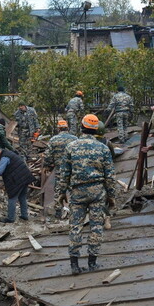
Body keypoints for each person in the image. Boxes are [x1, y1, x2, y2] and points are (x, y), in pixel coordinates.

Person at [59, 114, 116, 274]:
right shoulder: (103, 148)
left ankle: (74, 265)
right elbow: (110, 175)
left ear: (81, 127)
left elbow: (64, 173)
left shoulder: (71, 147)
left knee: (75, 226)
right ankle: (92, 263)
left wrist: (62, 193)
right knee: (96, 227)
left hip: (77, 192)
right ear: (96, 129)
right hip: (98, 192)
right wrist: (111, 195)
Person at [0, 146, 35, 223]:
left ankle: (10, 218)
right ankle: (24, 215)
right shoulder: (8, 154)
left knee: (12, 198)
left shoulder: (4, 157)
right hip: (25, 176)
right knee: (22, 197)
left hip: (18, 178)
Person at [43, 119, 78, 219]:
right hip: (72, 168)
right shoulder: (74, 138)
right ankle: (74, 210)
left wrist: (48, 165)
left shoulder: (53, 140)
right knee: (73, 189)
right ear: (67, 127)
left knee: (59, 190)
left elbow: (48, 156)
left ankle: (58, 212)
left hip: (59, 169)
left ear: (58, 128)